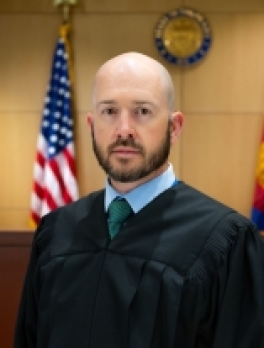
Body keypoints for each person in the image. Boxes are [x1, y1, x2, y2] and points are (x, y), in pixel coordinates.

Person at [15, 52, 264, 348]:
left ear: (174, 128)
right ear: (92, 125)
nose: (124, 130)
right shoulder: (56, 231)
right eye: (109, 112)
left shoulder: (224, 240)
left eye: (142, 112)